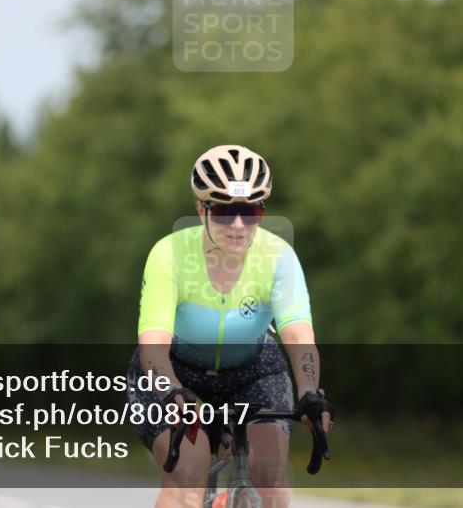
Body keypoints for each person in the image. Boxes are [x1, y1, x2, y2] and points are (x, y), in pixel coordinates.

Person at [127, 145, 334, 508]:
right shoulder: (169, 254)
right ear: (200, 209)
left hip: (254, 369)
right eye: (224, 213)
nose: (238, 226)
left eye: (250, 211)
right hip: (176, 372)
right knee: (187, 480)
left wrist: (310, 392)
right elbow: (154, 344)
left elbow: (299, 335)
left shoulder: (279, 257)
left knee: (271, 479)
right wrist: (172, 392)